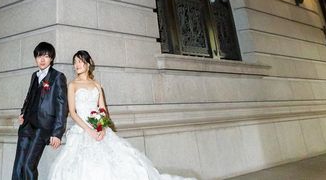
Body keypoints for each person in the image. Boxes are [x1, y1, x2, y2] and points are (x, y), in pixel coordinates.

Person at [48, 50, 195, 180]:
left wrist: (101, 128)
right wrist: (89, 130)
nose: (77, 65)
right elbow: (73, 112)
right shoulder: (72, 85)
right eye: (75, 62)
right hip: (82, 130)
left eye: (80, 61)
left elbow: (103, 110)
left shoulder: (96, 85)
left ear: (88, 64)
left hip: (99, 128)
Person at [12, 42, 68, 180]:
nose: (42, 60)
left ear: (51, 58)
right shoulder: (34, 75)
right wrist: (23, 112)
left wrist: (57, 133)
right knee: (18, 166)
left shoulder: (57, 77)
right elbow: (29, 96)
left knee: (28, 166)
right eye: (39, 56)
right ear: (35, 58)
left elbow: (62, 106)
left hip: (42, 127)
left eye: (46, 56)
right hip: (26, 125)